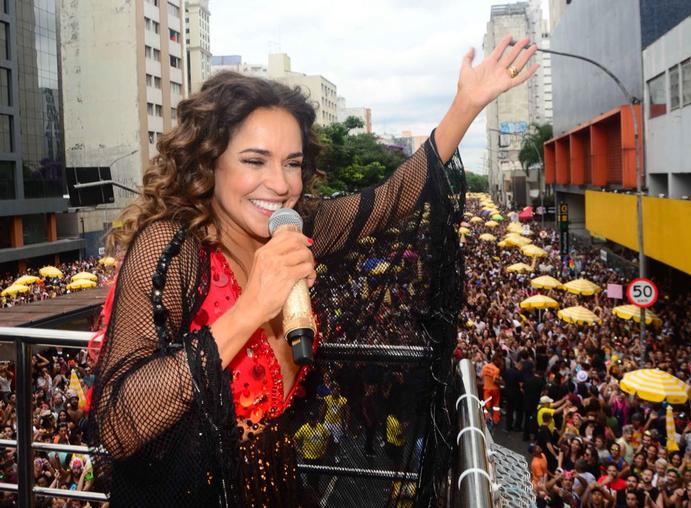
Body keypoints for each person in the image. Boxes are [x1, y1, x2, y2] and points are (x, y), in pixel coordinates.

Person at [85, 36, 540, 507]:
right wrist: (251, 308)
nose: (280, 185)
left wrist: (465, 106)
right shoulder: (171, 246)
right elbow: (118, 424)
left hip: (278, 488)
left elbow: (391, 198)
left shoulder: (300, 227)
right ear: (208, 162)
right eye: (254, 161)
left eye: (293, 164)